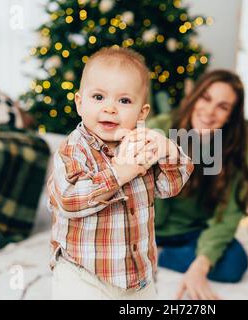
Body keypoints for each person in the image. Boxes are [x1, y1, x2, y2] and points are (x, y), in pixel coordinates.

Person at [47, 47, 194, 300]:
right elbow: (68, 200)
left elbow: (169, 187)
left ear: (142, 113)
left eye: (124, 101)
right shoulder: (73, 149)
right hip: (82, 274)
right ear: (80, 103)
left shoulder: (140, 145)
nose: (110, 108)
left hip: (137, 277)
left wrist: (169, 151)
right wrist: (118, 173)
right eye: (98, 97)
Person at [148, 70, 248, 300]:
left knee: (235, 262)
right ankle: (152, 252)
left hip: (191, 233)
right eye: (206, 98)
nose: (210, 112)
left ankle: (163, 256)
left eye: (223, 107)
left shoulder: (232, 152)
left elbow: (226, 217)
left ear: (230, 117)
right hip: (145, 231)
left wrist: (200, 265)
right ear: (194, 97)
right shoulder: (159, 129)